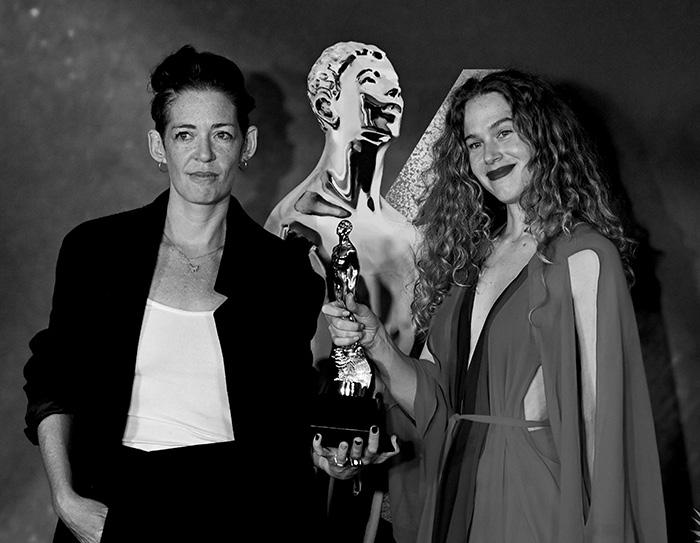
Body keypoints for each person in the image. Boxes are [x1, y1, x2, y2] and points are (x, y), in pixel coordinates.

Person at [323, 69, 667, 542]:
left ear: (543, 136)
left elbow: (599, 419)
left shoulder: (584, 255)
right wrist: (377, 342)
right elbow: (434, 401)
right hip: (455, 489)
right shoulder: (471, 260)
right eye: (474, 143)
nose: (489, 155)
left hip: (532, 496)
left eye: (504, 132)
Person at [23, 45, 325, 542]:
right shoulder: (95, 250)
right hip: (112, 500)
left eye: (221, 134)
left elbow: (289, 415)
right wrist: (65, 498)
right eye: (185, 134)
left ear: (247, 144)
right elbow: (54, 380)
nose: (204, 155)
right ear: (158, 146)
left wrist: (333, 452)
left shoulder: (283, 272)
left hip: (239, 508)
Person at [265, 41, 418, 362]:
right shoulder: (296, 226)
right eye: (371, 80)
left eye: (395, 85)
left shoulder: (409, 233)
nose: (392, 92)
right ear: (326, 106)